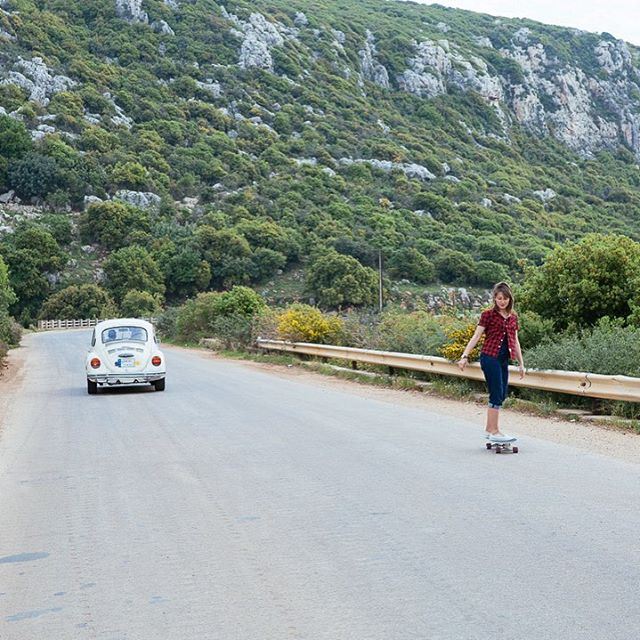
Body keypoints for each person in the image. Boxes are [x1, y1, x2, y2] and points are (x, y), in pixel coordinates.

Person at [458, 282, 525, 442]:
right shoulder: (488, 315)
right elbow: (476, 336)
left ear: (510, 299)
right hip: (489, 357)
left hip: (502, 360)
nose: (502, 301)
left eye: (505, 298)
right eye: (499, 298)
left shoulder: (513, 318)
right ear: (495, 298)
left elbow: (515, 341)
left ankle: (490, 428)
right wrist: (464, 356)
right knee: (496, 393)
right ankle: (494, 430)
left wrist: (521, 364)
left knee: (501, 394)